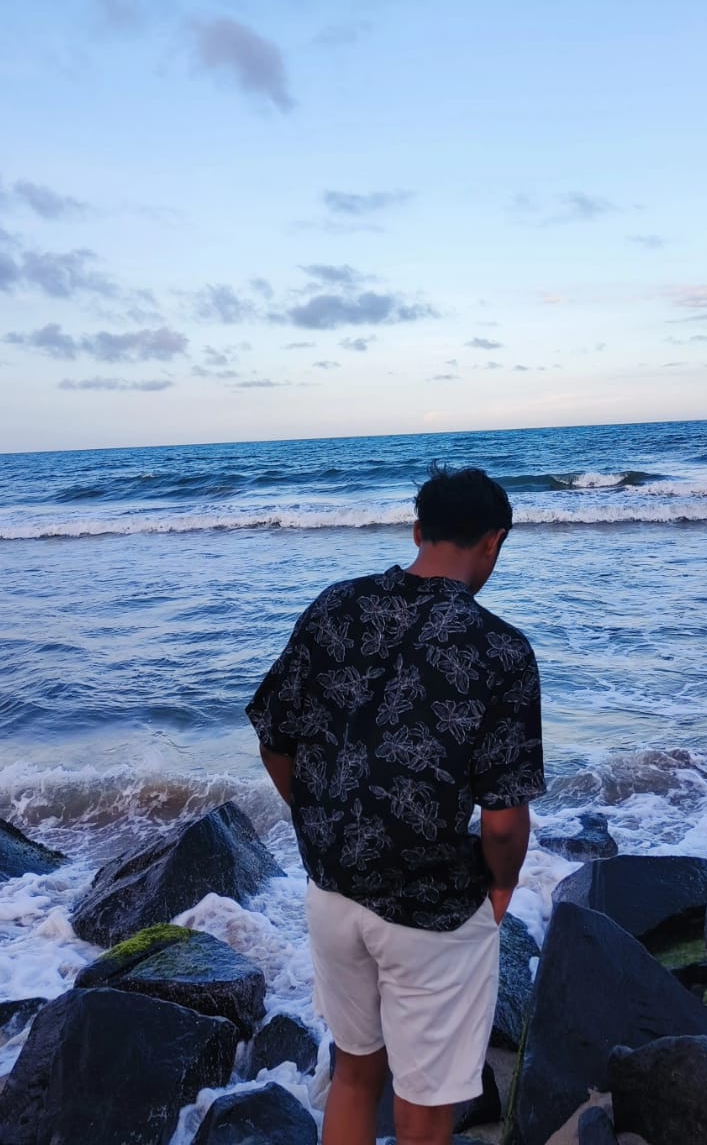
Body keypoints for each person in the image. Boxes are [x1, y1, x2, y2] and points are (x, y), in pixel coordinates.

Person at [247, 463, 545, 1145]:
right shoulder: (501, 649)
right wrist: (500, 890)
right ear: (495, 542)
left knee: (355, 1072)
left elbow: (273, 735)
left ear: (417, 530)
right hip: (432, 907)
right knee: (424, 1109)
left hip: (333, 891)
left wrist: (318, 819)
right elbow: (502, 818)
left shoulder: (334, 606)